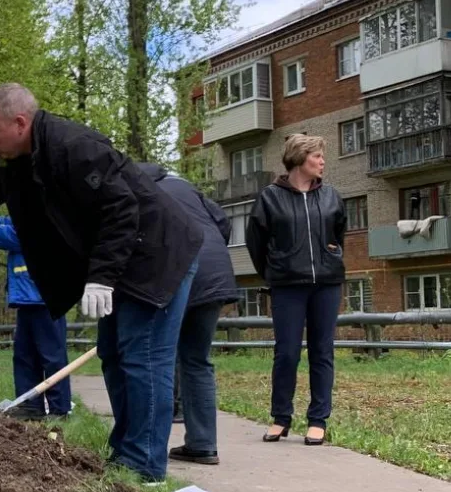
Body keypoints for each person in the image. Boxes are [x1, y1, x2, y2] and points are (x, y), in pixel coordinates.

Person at [0, 83, 204, 483]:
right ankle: (126, 455)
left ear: (19, 122)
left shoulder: (75, 146)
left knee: (143, 358)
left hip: (155, 254)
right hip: (121, 258)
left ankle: (144, 468)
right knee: (115, 355)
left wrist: (101, 278)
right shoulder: (15, 159)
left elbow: (123, 209)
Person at [246, 134, 346, 447]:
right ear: (300, 158)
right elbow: (256, 244)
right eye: (317, 156)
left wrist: (332, 254)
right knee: (287, 353)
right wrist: (275, 271)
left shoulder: (331, 195)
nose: (322, 161)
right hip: (287, 285)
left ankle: (318, 420)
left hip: (326, 285)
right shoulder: (270, 198)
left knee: (322, 351)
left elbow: (338, 232)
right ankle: (280, 418)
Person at [143, 164, 238, 465]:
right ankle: (203, 444)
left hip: (178, 270)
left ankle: (147, 446)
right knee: (198, 358)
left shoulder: (138, 190)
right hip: (216, 271)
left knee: (159, 355)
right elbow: (223, 222)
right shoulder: (185, 186)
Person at [0, 216, 71, 420]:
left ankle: (59, 410)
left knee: (52, 357)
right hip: (28, 298)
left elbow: (19, 235)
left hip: (46, 298)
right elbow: (0, 222)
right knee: (24, 356)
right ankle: (30, 406)